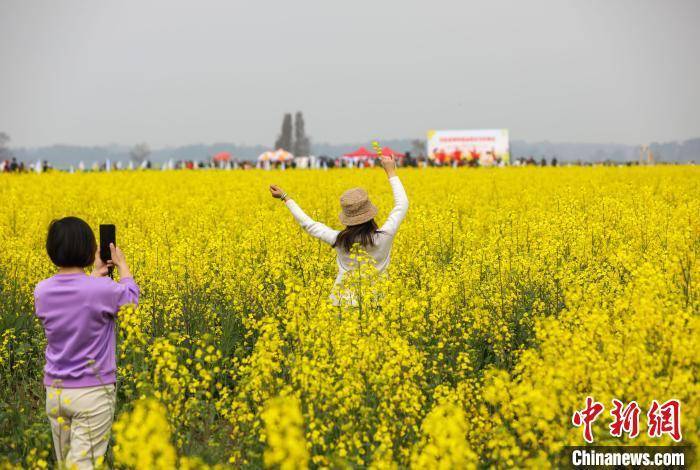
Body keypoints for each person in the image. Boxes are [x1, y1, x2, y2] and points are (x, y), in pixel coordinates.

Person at [34, 217, 139, 469]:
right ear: (89, 249)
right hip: (92, 392)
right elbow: (131, 303)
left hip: (56, 393)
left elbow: (75, 302)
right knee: (83, 466)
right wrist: (122, 266)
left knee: (67, 463)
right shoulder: (101, 289)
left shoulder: (42, 290)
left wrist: (94, 277)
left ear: (52, 251)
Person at [269, 154, 408, 305]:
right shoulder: (384, 237)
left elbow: (309, 224)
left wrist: (285, 197)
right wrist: (391, 172)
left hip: (342, 305)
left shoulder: (339, 240)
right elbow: (402, 205)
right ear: (369, 215)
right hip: (376, 304)